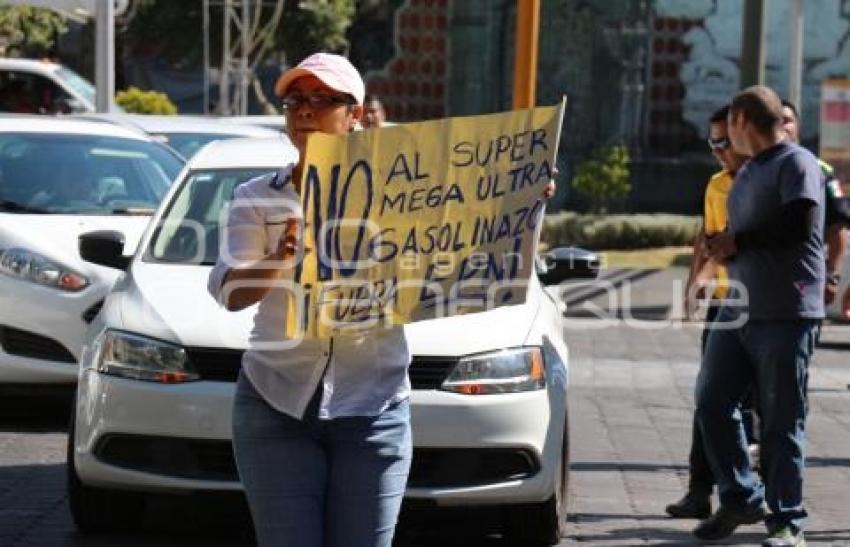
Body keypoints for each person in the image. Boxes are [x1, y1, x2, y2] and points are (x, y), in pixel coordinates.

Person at [208, 53, 412, 547]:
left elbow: (468, 243)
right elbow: (229, 292)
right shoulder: (257, 197)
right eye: (295, 100)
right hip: (274, 403)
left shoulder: (403, 197)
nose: (304, 110)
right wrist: (280, 257)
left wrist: (524, 203)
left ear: (356, 115)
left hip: (374, 407)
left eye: (322, 100)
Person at [697, 85, 824, 547]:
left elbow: (801, 222)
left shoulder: (796, 162)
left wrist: (739, 242)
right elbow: (743, 234)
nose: (726, 140)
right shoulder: (748, 173)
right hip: (738, 310)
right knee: (713, 402)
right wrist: (720, 246)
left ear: (742, 123)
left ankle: (788, 518)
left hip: (786, 312)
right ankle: (740, 497)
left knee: (780, 419)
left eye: (729, 129)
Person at [668, 104, 750, 520]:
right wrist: (695, 281)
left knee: (762, 404)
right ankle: (700, 489)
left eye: (725, 141)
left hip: (766, 305)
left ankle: (760, 492)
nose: (718, 149)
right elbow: (709, 237)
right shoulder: (717, 184)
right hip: (724, 304)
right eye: (712, 141)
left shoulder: (768, 179)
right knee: (710, 396)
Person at [781, 99, 850, 304]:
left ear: (798, 128)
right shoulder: (752, 172)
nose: (782, 127)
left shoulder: (820, 171)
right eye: (776, 121)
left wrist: (832, 276)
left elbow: (837, 227)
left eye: (787, 121)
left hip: (805, 282)